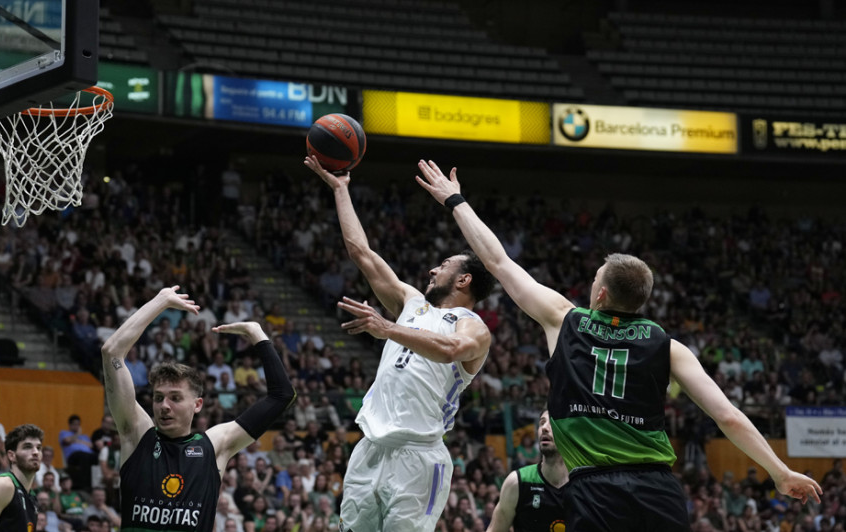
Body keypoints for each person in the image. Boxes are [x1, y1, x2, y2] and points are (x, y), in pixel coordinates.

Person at [415, 160, 823, 531]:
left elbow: (499, 262)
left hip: (595, 491)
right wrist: (779, 471)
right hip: (659, 491)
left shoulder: (564, 319)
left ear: (602, 295)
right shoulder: (669, 347)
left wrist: (455, 201)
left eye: (595, 279)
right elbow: (728, 417)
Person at [305, 156, 495, 531]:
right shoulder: (411, 301)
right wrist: (341, 190)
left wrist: (387, 328)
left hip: (420, 456)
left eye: (444, 265)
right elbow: (362, 253)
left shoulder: (474, 328)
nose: (433, 269)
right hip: (370, 447)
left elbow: (449, 351)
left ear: (464, 281)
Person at [100, 286, 295, 532]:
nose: (164, 406)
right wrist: (161, 301)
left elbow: (282, 396)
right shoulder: (137, 434)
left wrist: (257, 335)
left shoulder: (214, 446)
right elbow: (111, 352)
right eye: (158, 397)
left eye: (175, 398)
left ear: (198, 404)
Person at [487, 409, 567, 532]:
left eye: (552, 422)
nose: (544, 428)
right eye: (542, 423)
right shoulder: (517, 482)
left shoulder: (584, 484)